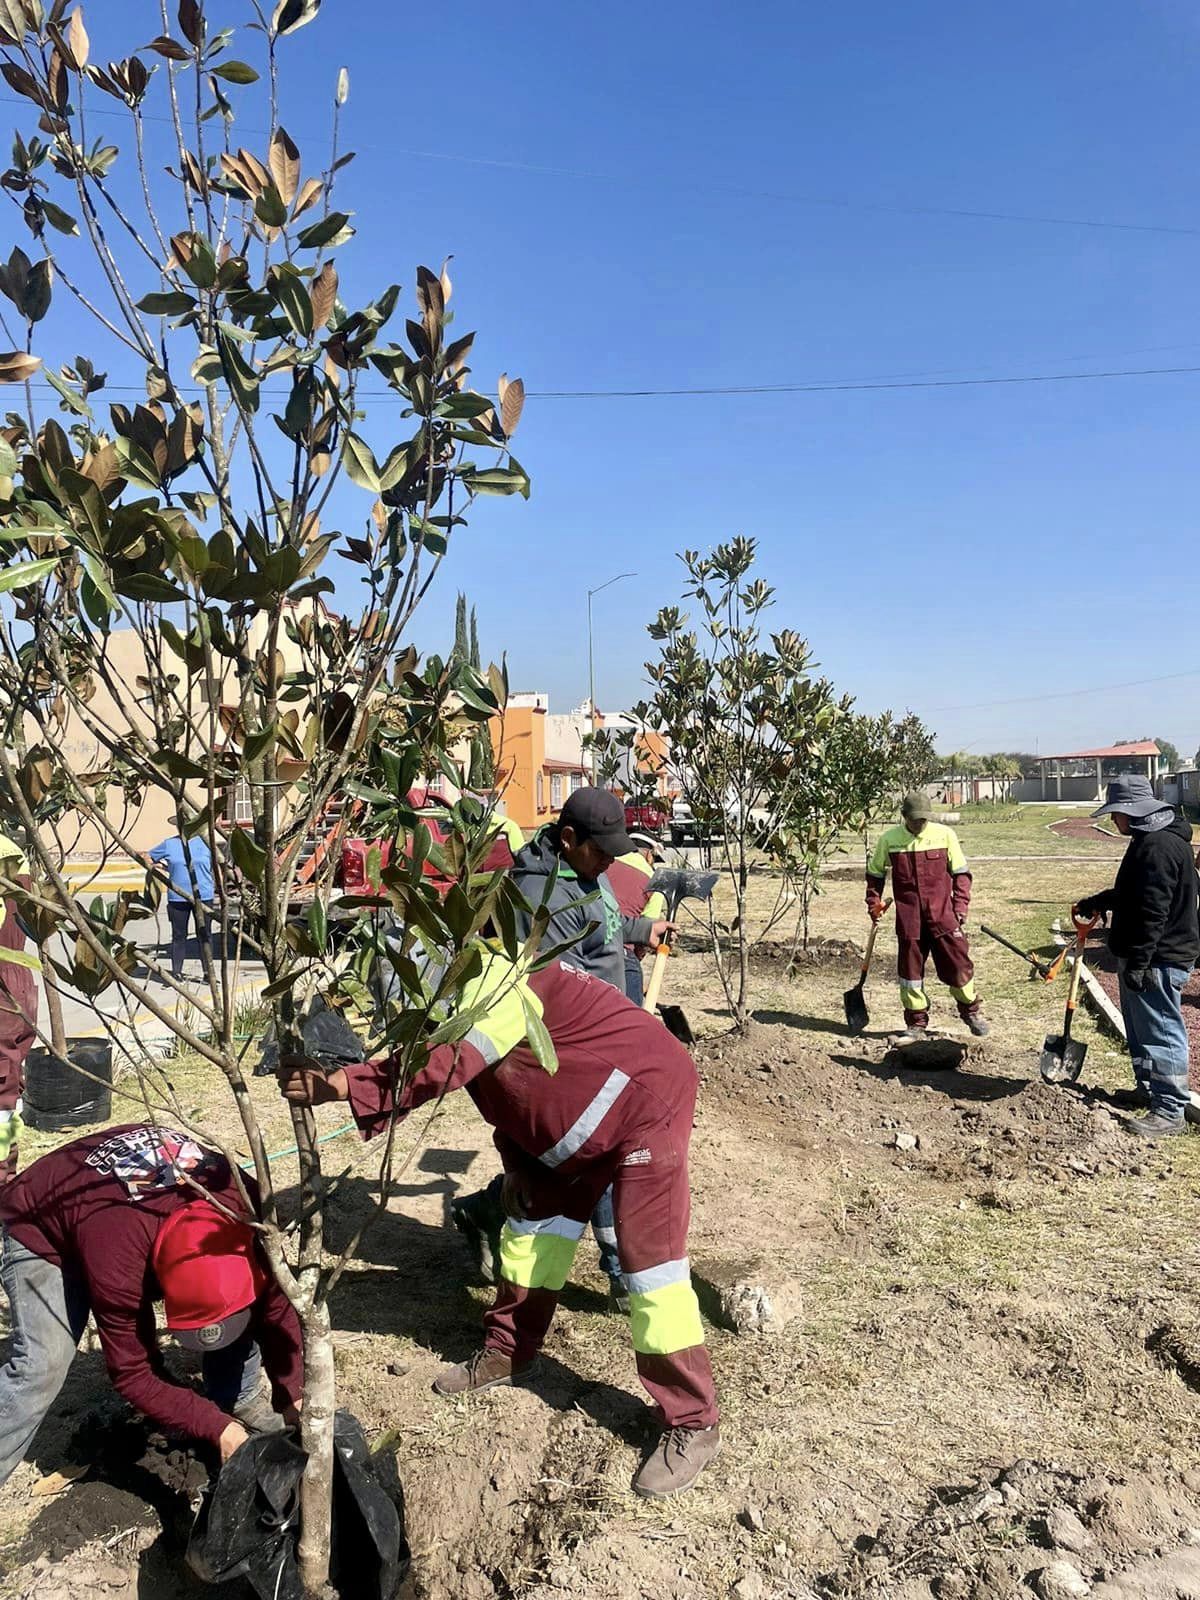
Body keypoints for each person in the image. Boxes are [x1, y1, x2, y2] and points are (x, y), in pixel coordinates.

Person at [278, 947, 720, 1499]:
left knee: (648, 1265)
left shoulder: (496, 988)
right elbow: (510, 1092)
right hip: (574, 1124)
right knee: (534, 1232)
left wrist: (345, 1086)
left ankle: (693, 1421)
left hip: (645, 1104)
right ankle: (509, 1352)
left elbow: (449, 1062)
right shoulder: (459, 1003)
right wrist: (517, 1166)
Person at [451, 788, 675, 1302]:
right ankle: (621, 1270)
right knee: (598, 1156)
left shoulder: (584, 874)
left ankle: (484, 1211)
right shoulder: (540, 898)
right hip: (574, 1052)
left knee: (568, 1165)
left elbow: (603, 926)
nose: (609, 861)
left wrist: (644, 927)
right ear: (569, 838)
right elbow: (547, 992)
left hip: (609, 1039)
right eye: (602, 851)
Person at [0, 1123, 303, 1483]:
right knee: (43, 1363)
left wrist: (293, 1396)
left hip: (125, 1216)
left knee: (243, 1305)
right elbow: (131, 1371)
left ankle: (236, 1394)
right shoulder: (118, 1258)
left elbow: (277, 1305)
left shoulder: (243, 1203)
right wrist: (220, 1431)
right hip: (41, 1222)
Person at [1076, 775, 1199, 1137]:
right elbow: (1136, 893)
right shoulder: (1149, 839)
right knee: (1142, 1030)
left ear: (1133, 811)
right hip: (1145, 954)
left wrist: (1141, 963)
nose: (1113, 820)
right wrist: (1102, 901)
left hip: (1160, 958)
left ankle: (1170, 1109)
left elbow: (1153, 912)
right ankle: (1148, 1089)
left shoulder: (1158, 847)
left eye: (1116, 813)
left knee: (1161, 1031)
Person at [865, 790, 989, 1041]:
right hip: (910, 920)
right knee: (910, 975)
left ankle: (971, 1011)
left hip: (943, 916)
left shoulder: (944, 836)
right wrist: (874, 902)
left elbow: (962, 874)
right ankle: (916, 1023)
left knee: (959, 966)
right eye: (914, 820)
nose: (919, 824)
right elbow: (875, 873)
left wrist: (961, 906)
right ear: (904, 816)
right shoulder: (889, 840)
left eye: (923, 819)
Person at [0, 832, 35, 1182]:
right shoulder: (11, 849)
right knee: (8, 1090)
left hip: (3, 985)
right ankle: (6, 1170)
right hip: (18, 979)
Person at [607, 830, 668, 1007]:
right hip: (622, 953)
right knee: (630, 1020)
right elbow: (646, 932)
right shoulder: (654, 881)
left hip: (585, 947)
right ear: (650, 854)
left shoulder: (605, 860)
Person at [147, 822, 216, 980]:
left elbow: (215, 866)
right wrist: (164, 868)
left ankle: (208, 973)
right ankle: (176, 972)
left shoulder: (206, 843)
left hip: (203, 896)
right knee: (179, 935)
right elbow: (149, 857)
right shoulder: (170, 844)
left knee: (205, 935)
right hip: (178, 897)